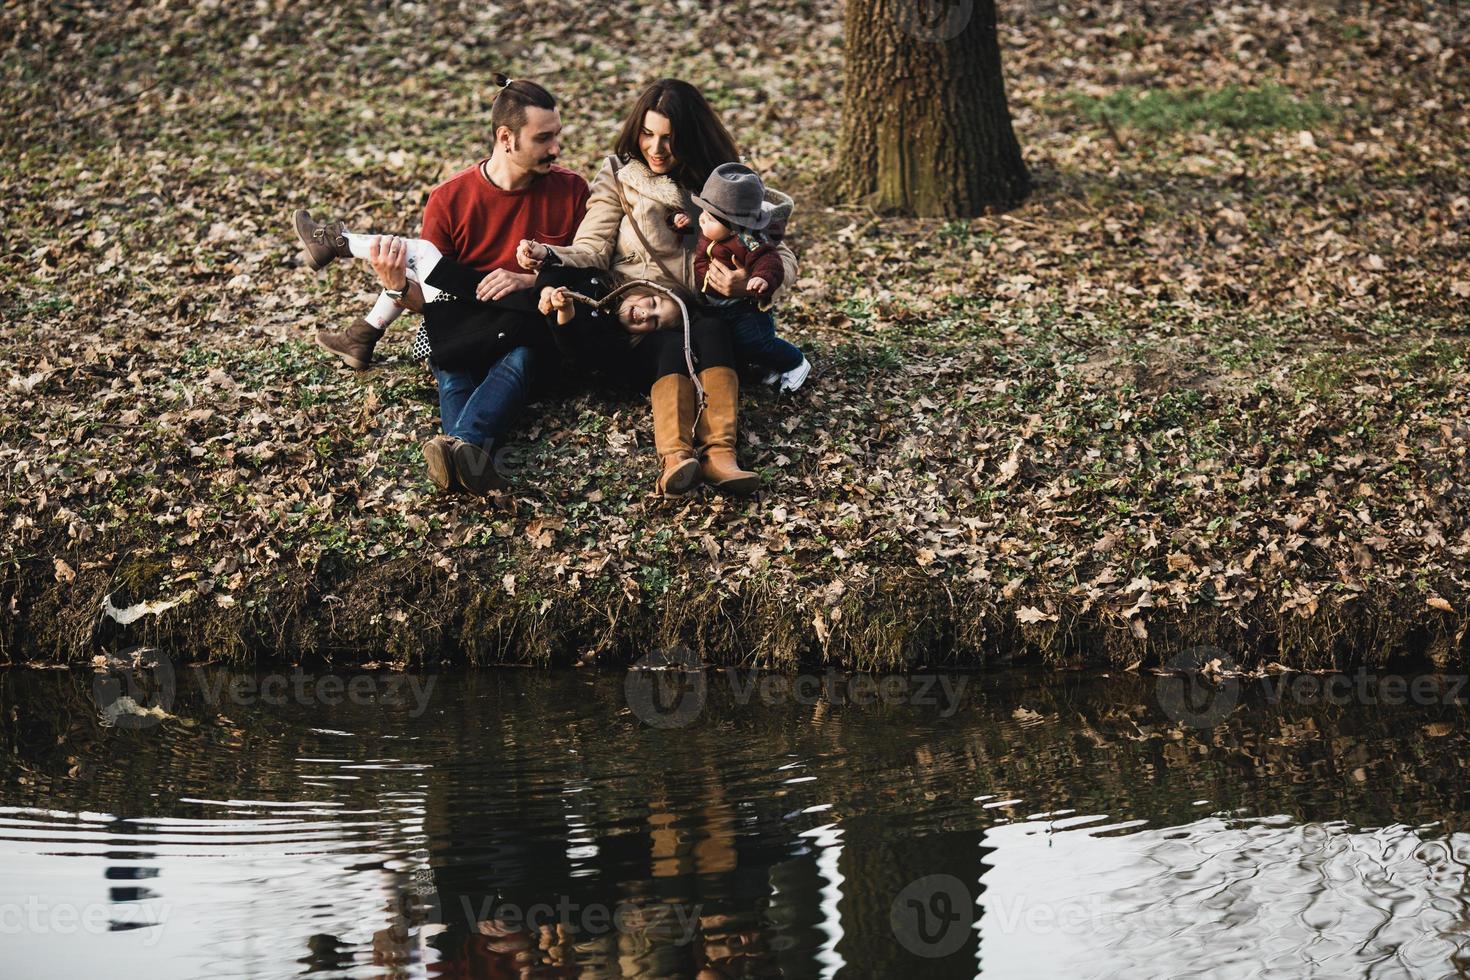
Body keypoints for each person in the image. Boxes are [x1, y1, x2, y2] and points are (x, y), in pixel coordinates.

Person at [295, 75, 590, 494]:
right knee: (451, 364)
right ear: (506, 138)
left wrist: (526, 278)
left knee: (520, 357)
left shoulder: (573, 191)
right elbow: (431, 300)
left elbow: (589, 272)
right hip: (463, 324)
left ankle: (336, 243)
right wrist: (395, 286)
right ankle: (466, 451)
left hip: (531, 326)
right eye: (544, 138)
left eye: (557, 136)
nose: (556, 148)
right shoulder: (450, 198)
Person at [516, 78, 810, 393]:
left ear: (692, 137)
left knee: (712, 341)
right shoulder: (619, 176)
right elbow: (593, 246)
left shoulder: (725, 181)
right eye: (647, 134)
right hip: (640, 314)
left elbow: (779, 255)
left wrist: (748, 286)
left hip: (707, 319)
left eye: (669, 138)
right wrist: (549, 254)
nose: (656, 149)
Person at [536, 266, 760, 495]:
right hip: (628, 359)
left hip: (663, 351)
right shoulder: (601, 282)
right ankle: (674, 457)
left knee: (711, 327)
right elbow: (578, 351)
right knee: (673, 345)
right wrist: (551, 294)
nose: (646, 314)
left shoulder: (648, 333)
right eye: (652, 303)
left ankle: (719, 454)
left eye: (654, 322)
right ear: (644, 289)